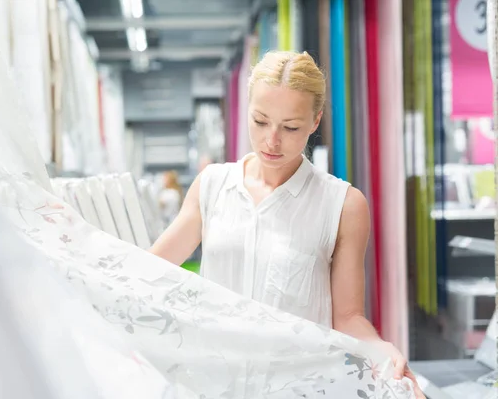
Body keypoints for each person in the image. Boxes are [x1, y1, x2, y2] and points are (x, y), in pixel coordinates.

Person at [150, 50, 423, 397]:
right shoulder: (212, 185)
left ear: (315, 121)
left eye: (290, 127)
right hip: (213, 383)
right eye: (260, 121)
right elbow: (148, 270)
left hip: (299, 387)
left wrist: (384, 351)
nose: (272, 140)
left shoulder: (342, 205)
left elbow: (348, 316)